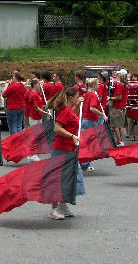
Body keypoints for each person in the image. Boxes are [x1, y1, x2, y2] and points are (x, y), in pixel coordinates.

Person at [45, 87, 85, 220]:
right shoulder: (65, 111)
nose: (79, 97)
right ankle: (54, 209)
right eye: (77, 96)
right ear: (70, 98)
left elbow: (71, 116)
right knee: (57, 179)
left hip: (68, 149)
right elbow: (57, 128)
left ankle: (61, 205)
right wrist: (72, 136)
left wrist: (78, 106)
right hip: (62, 149)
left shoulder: (68, 110)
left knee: (68, 178)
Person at [80, 78, 108, 172]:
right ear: (94, 85)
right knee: (90, 143)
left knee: (86, 142)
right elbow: (92, 108)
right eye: (97, 84)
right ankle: (85, 164)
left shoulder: (87, 94)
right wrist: (102, 114)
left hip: (86, 119)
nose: (99, 86)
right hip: (90, 120)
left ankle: (83, 162)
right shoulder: (92, 95)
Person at [26, 79, 50, 162]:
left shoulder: (36, 94)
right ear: (35, 85)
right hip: (34, 118)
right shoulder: (33, 94)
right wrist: (46, 113)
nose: (40, 86)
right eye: (38, 84)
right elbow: (36, 108)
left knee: (37, 136)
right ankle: (32, 154)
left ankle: (32, 153)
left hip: (37, 117)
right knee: (35, 136)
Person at [109, 71, 127, 146]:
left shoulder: (119, 85)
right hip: (122, 106)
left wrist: (110, 98)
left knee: (115, 125)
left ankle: (119, 141)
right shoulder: (125, 84)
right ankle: (121, 140)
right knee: (120, 125)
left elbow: (119, 97)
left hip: (117, 107)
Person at [126, 74, 138, 141]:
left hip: (137, 105)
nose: (133, 78)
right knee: (130, 122)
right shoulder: (128, 84)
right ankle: (131, 136)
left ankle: (137, 136)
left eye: (135, 77)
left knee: (137, 122)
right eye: (132, 77)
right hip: (129, 105)